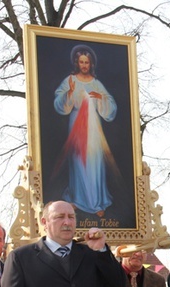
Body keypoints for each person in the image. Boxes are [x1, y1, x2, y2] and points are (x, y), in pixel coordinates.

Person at [53, 45, 119, 217]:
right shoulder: (71, 80)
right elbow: (59, 102)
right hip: (76, 125)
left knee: (95, 160)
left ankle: (97, 202)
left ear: (91, 64)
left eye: (86, 62)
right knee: (78, 161)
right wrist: (69, 93)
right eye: (81, 62)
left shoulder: (96, 83)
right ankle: (77, 199)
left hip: (94, 127)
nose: (84, 65)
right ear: (77, 62)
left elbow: (110, 104)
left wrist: (101, 98)